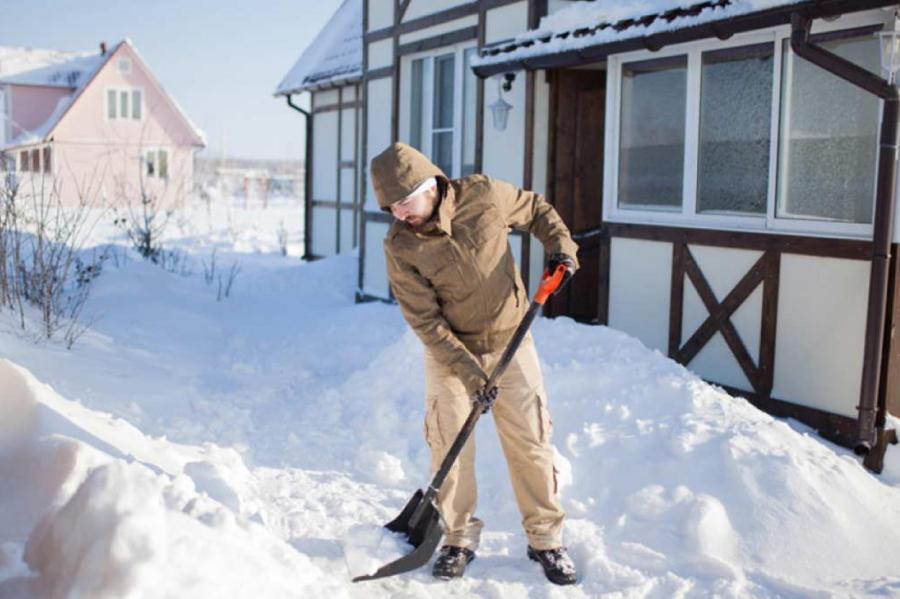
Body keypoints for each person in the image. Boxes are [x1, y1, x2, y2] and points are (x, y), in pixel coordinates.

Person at [371, 142, 579, 586]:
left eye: (404, 204)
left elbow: (537, 210)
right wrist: (471, 372)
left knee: (530, 440)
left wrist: (561, 248)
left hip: (511, 340)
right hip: (450, 354)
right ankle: (457, 538)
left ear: (430, 186)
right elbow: (425, 322)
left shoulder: (483, 195)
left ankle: (546, 539)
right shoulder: (400, 246)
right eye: (391, 208)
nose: (400, 215)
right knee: (449, 445)